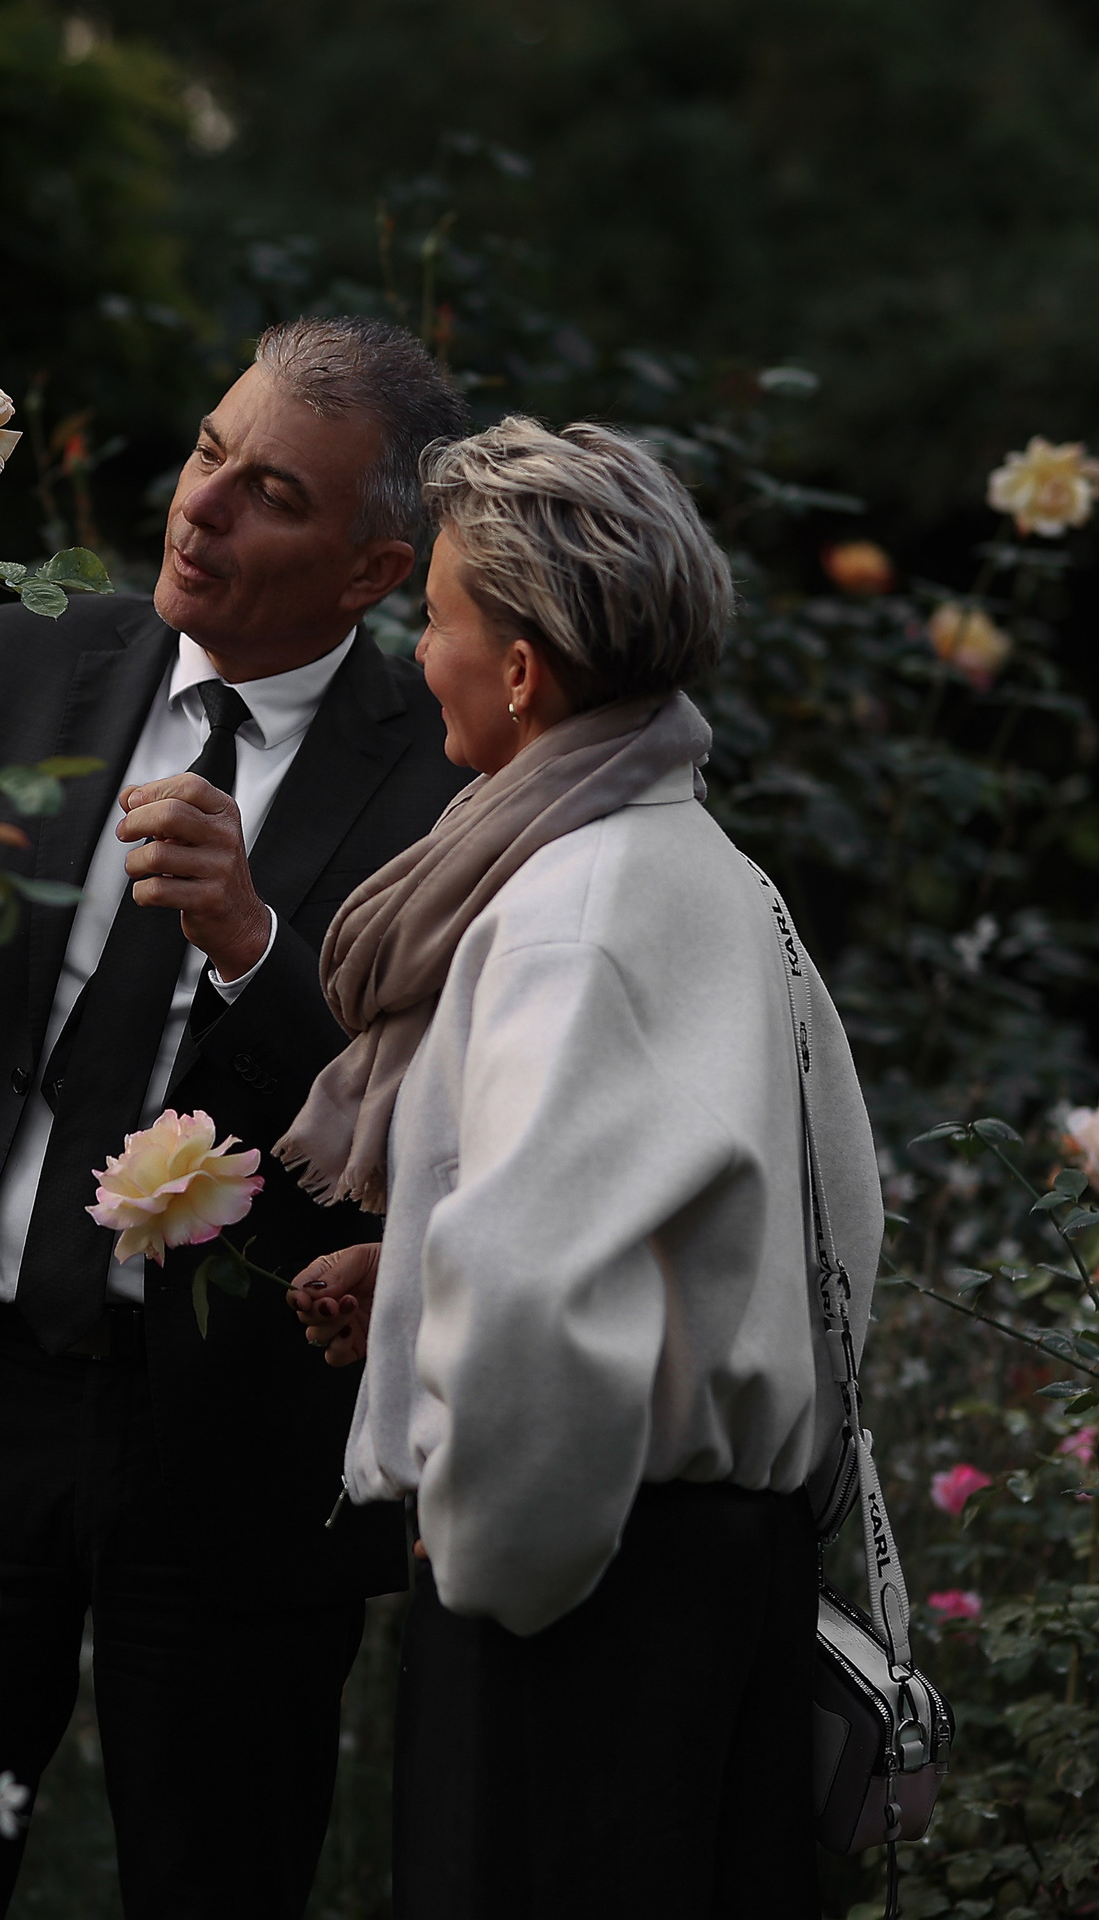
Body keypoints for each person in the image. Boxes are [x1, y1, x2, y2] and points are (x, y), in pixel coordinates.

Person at [0, 316, 471, 1920]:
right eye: (204, 454)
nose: (204, 509)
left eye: (272, 497)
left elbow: (440, 1119)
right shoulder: (19, 664)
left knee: (218, 1881)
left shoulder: (442, 784)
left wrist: (255, 952)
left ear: (376, 573)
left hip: (232, 1429)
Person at [279, 416, 885, 1918]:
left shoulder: (573, 903)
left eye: (438, 617)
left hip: (584, 1599)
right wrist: (413, 1266)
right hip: (710, 1580)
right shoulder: (714, 874)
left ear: (525, 668)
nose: (421, 653)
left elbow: (541, 1281)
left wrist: (485, 1549)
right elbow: (817, 1218)